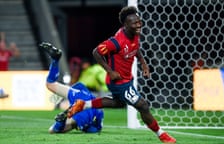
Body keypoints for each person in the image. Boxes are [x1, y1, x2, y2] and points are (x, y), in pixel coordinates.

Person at [67, 6, 176, 143]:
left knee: (118, 103)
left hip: (126, 79)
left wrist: (143, 63)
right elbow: (96, 52)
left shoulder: (135, 34)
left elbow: (136, 48)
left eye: (139, 22)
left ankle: (83, 104)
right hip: (118, 82)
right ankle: (162, 135)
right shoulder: (116, 42)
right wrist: (110, 71)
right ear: (125, 25)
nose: (138, 25)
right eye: (134, 23)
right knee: (142, 105)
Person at [39, 42, 104, 134]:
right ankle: (62, 119)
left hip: (86, 96)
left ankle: (55, 60)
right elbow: (95, 129)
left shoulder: (90, 71)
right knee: (54, 130)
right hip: (87, 107)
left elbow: (80, 85)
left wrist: (65, 93)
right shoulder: (92, 70)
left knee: (50, 84)